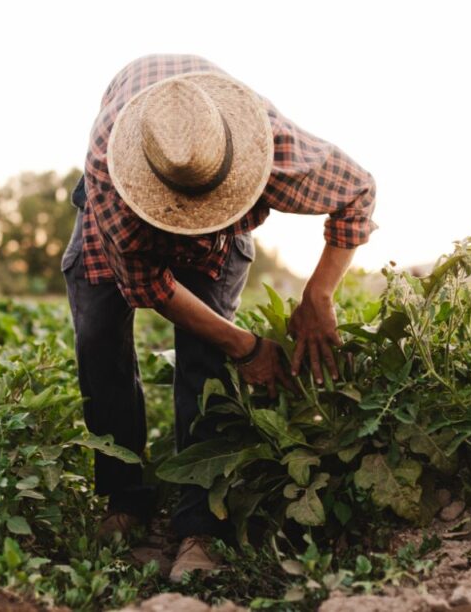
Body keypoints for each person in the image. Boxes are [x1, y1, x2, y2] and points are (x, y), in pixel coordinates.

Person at [61, 54, 377, 582]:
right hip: (120, 218)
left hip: (221, 221)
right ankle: (126, 496)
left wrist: (319, 295)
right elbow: (151, 287)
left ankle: (199, 526)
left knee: (205, 362)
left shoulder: (269, 146)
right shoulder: (112, 179)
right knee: (98, 340)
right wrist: (248, 346)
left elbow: (358, 193)